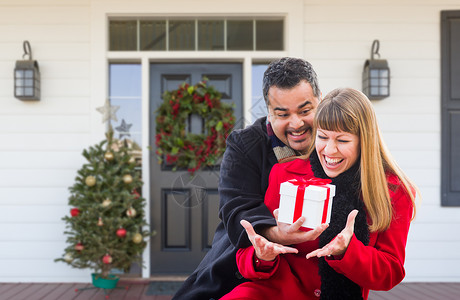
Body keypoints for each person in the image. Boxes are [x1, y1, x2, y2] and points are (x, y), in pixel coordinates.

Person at [220, 87, 418, 300]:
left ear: (364, 141)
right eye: (323, 137)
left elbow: (390, 273)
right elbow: (246, 257)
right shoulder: (286, 173)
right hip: (271, 293)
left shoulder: (393, 191)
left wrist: (347, 251)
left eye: (342, 141)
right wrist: (262, 255)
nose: (329, 150)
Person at [172, 57, 326, 300]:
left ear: (321, 101)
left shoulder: (337, 144)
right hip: (243, 271)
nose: (296, 123)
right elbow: (236, 209)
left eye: (305, 111)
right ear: (268, 112)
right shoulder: (244, 145)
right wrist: (276, 233)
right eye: (282, 113)